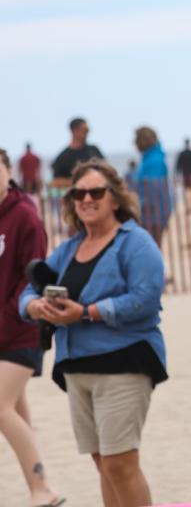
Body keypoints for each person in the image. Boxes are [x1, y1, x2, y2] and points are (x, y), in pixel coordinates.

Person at [20, 159, 167, 507]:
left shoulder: (136, 242)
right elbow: (28, 290)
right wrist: (35, 307)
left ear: (115, 199)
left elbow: (145, 299)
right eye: (78, 193)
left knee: (120, 463)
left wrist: (86, 313)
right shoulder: (69, 248)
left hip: (124, 362)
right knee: (103, 464)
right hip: (78, 367)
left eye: (96, 192)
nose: (86, 199)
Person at [0, 148, 63, 507]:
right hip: (1, 332)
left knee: (0, 407)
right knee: (15, 411)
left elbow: (34, 277)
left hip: (21, 329)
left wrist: (11, 315)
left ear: (8, 170)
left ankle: (42, 490)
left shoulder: (25, 216)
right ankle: (41, 485)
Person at [133, 127, 172, 247]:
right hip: (150, 213)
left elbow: (154, 190)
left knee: (150, 248)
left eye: (136, 140)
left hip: (153, 215)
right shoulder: (150, 158)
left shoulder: (154, 160)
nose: (134, 143)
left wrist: (138, 205)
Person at [50, 118, 103, 189]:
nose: (88, 133)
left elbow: (106, 170)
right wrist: (82, 181)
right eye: (85, 130)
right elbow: (56, 182)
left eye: (88, 130)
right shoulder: (63, 157)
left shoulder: (94, 150)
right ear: (74, 131)